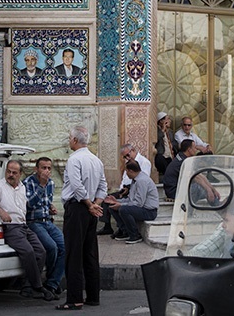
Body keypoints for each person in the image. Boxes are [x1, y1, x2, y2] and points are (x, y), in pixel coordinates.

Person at [0, 159, 53, 300]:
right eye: (8, 172)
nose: (11, 175)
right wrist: (1, 212)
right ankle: (37, 286)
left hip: (23, 225)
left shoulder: (22, 187)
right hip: (10, 227)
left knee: (41, 251)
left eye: (14, 173)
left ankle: (28, 287)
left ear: (20, 174)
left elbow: (25, 205)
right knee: (28, 251)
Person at [58, 125, 107, 310]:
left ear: (75, 140)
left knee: (74, 254)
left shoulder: (74, 159)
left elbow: (76, 186)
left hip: (78, 208)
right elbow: (103, 186)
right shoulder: (96, 160)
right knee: (90, 253)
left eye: (69, 138)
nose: (68, 141)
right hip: (91, 209)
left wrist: (88, 204)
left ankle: (75, 298)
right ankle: (93, 296)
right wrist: (96, 204)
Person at [24, 156, 65, 299]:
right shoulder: (28, 182)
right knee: (51, 247)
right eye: (43, 168)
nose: (47, 171)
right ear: (37, 169)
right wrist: (41, 186)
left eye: (49, 168)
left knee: (65, 247)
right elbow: (29, 204)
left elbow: (46, 202)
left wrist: (51, 207)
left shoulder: (51, 183)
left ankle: (52, 283)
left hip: (47, 221)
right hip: (34, 222)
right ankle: (50, 281)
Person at [98, 143, 152, 236]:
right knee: (107, 199)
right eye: (125, 157)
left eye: (128, 155)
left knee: (120, 206)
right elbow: (124, 178)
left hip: (135, 190)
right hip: (125, 189)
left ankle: (123, 228)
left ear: (133, 151)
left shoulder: (144, 162)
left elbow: (142, 180)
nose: (127, 158)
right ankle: (108, 226)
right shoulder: (128, 163)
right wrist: (121, 190)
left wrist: (129, 189)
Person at [105, 160, 159, 244]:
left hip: (149, 211)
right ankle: (125, 231)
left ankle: (135, 235)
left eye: (126, 171)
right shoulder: (135, 180)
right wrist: (116, 201)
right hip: (141, 208)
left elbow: (138, 203)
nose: (126, 173)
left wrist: (120, 205)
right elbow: (130, 199)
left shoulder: (142, 181)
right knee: (112, 207)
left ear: (130, 171)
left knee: (123, 209)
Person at [162, 139, 220, 204]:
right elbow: (196, 177)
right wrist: (208, 190)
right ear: (189, 149)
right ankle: (218, 206)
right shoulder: (182, 161)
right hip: (174, 191)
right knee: (199, 187)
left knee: (204, 188)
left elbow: (199, 175)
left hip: (179, 189)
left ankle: (217, 204)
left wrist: (213, 189)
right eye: (194, 148)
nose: (196, 150)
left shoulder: (185, 158)